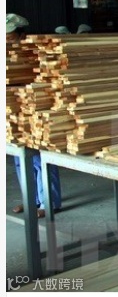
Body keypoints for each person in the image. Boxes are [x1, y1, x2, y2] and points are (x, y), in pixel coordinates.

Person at [7, 14, 63, 219]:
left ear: (22, 35)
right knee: (20, 158)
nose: (7, 42)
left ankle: (49, 201)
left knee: (41, 158)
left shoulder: (35, 53)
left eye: (10, 38)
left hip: (35, 110)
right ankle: (30, 199)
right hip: (13, 113)